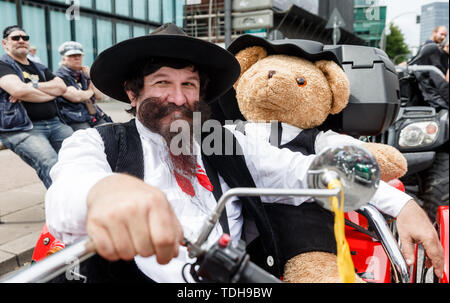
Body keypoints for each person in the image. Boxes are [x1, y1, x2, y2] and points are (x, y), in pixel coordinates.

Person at [45, 23, 444, 283]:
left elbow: (307, 171)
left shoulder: (229, 141)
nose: (178, 98)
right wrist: (106, 193)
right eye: (162, 82)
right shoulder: (97, 143)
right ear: (133, 94)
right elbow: (68, 191)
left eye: (189, 84)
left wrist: (400, 204)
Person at [0, 25, 73, 189]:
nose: (21, 41)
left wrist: (31, 86)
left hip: (55, 123)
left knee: (78, 156)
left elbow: (61, 87)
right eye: (15, 38)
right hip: (22, 128)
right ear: (5, 44)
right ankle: (61, 210)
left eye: (24, 38)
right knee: (51, 163)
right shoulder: (3, 65)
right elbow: (18, 89)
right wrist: (50, 92)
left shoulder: (38, 67)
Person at [54, 41, 111, 131]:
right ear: (64, 59)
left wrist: (92, 77)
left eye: (79, 55)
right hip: (73, 118)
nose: (77, 58)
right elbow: (77, 97)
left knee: (111, 131)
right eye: (72, 56)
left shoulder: (84, 74)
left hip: (92, 115)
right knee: (89, 136)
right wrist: (90, 91)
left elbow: (99, 96)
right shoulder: (59, 76)